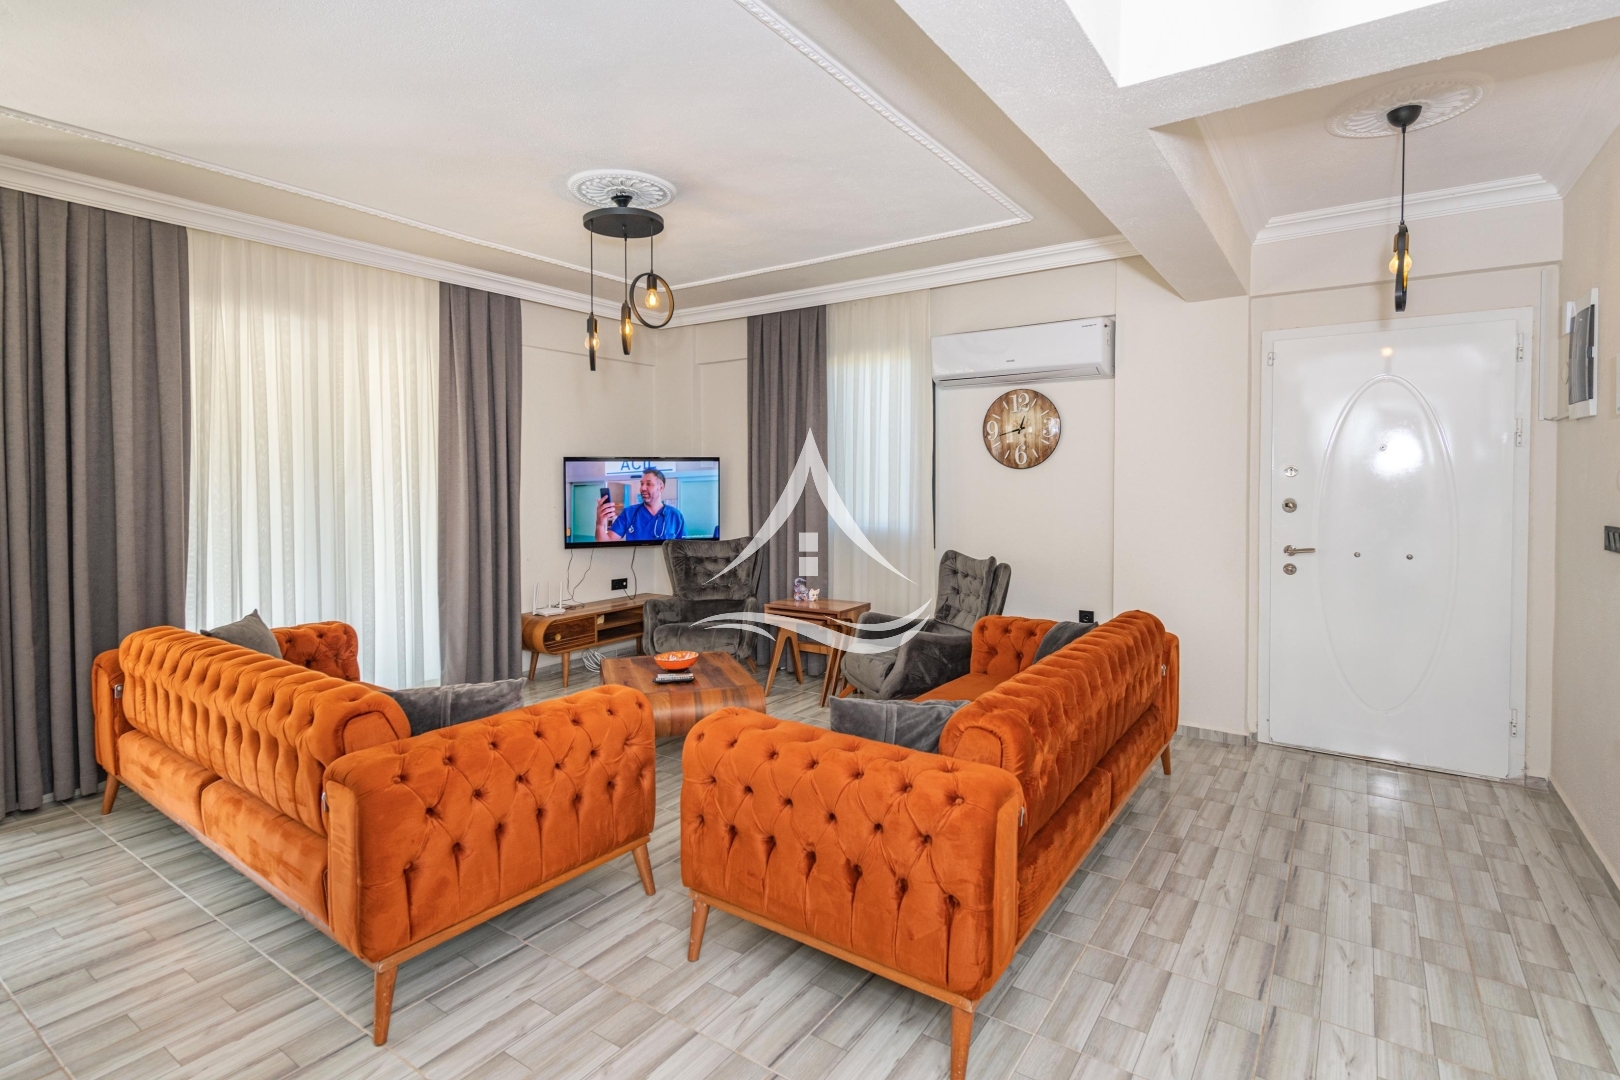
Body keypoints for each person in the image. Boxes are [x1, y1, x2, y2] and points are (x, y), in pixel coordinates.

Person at [596, 467, 686, 542]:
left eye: (648, 484)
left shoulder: (675, 516)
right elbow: (606, 542)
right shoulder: (628, 513)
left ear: (661, 487)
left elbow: (683, 548)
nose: (643, 488)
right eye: (642, 484)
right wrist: (600, 523)